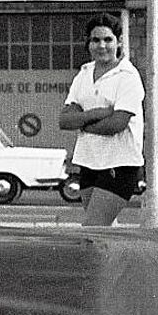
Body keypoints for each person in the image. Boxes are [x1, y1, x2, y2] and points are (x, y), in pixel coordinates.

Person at [60, 13, 145, 227]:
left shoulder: (128, 76)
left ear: (119, 42)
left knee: (92, 229)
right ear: (88, 43)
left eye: (108, 39)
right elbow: (65, 120)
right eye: (95, 40)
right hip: (89, 162)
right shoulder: (84, 74)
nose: (102, 45)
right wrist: (96, 113)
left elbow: (117, 124)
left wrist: (82, 122)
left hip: (119, 164)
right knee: (106, 233)